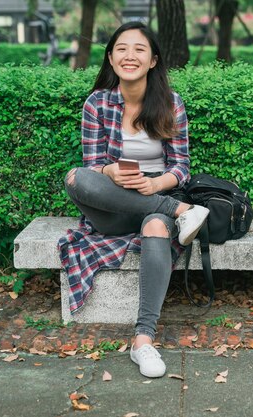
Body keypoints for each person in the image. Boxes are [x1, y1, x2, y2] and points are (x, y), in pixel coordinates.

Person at [60, 21, 209, 378]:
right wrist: (110, 172)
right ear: (111, 58)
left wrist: (157, 185)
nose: (130, 56)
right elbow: (92, 166)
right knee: (76, 177)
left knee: (157, 224)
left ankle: (143, 340)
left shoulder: (171, 104)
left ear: (153, 60)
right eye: (122, 49)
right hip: (112, 208)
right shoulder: (96, 103)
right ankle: (181, 211)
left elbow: (182, 167)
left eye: (139, 49)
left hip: (155, 199)